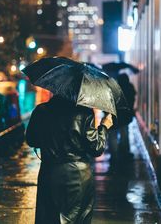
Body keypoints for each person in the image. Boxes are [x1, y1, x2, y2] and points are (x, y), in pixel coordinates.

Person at [26, 95, 113, 224]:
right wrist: (104, 127)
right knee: (77, 217)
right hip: (78, 177)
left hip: (49, 172)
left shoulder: (41, 111)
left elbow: (31, 140)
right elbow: (96, 148)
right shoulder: (84, 111)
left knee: (49, 217)